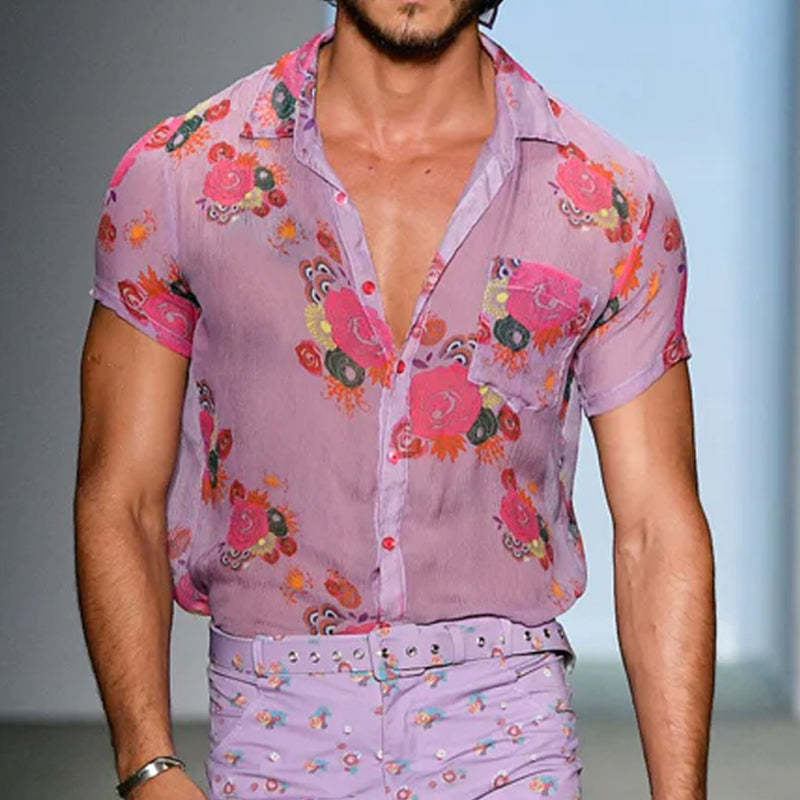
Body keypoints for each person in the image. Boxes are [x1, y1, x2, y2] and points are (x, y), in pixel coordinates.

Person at [75, 1, 714, 798]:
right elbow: (119, 493)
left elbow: (657, 527)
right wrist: (147, 766)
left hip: (507, 727)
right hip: (273, 726)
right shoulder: (182, 174)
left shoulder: (609, 199)